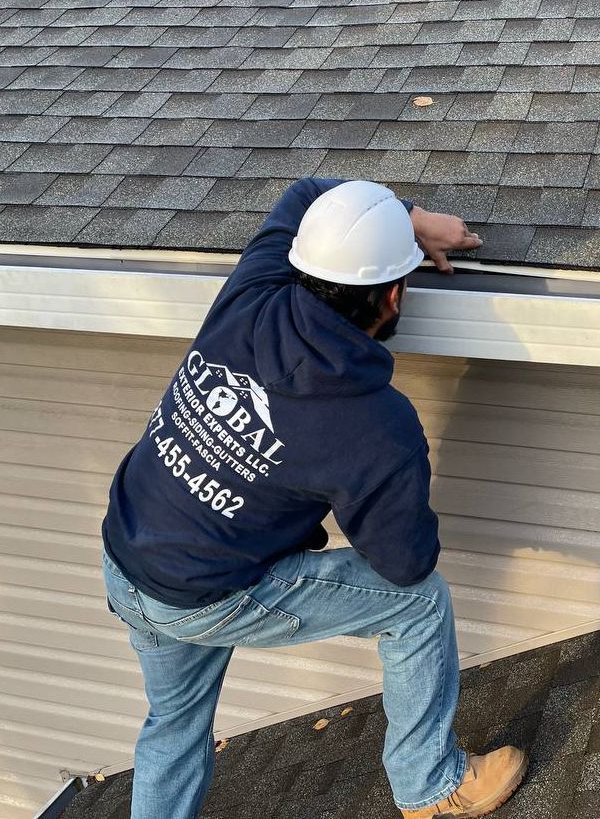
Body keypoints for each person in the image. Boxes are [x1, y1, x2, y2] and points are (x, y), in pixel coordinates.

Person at [102, 178, 527, 819]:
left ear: (301, 264)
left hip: (127, 559)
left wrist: (410, 219)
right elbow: (406, 564)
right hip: (204, 592)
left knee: (173, 723)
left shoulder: (253, 292)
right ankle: (431, 789)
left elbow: (307, 192)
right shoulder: (375, 424)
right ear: (392, 294)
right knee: (417, 606)